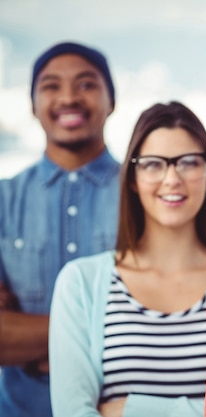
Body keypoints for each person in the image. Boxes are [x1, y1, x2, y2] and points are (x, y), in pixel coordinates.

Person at [48, 101, 206, 417]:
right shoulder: (82, 281)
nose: (172, 178)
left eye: (189, 162)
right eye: (153, 164)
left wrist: (130, 410)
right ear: (133, 179)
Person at [0, 41, 119, 417]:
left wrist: (37, 341)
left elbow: (169, 320)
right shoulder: (3, 199)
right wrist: (102, 335)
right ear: (33, 105)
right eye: (51, 85)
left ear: (111, 101)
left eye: (86, 84)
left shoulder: (145, 194)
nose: (68, 97)